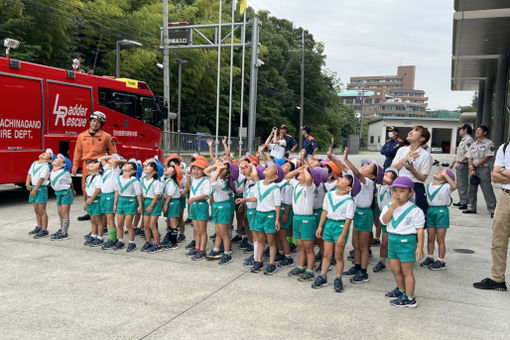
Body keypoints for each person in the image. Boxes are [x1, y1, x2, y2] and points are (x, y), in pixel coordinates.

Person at [380, 176, 425, 308]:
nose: (397, 194)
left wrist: (420, 247)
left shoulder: (415, 210)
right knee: (394, 269)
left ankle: (410, 298)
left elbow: (420, 230)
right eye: (395, 191)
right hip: (393, 239)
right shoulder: (389, 206)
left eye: (402, 191)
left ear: (411, 193)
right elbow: (384, 221)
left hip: (407, 241)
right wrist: (391, 209)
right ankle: (401, 289)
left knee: (407, 271)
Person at [473, 141, 510, 291]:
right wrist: (502, 173)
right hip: (505, 196)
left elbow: (499, 173)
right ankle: (497, 279)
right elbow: (495, 176)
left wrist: (504, 172)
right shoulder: (505, 147)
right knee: (499, 240)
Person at [313, 174, 359, 292]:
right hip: (329, 224)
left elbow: (348, 220)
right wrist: (320, 226)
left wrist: (343, 236)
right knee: (327, 254)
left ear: (348, 188)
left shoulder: (349, 200)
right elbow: (325, 211)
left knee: (338, 256)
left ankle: (338, 278)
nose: (340, 179)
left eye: (344, 180)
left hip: (340, 226)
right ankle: (323, 276)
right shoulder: (329, 195)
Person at [342, 147, 380, 284]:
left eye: (369, 166)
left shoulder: (369, 182)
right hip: (357, 212)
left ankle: (363, 272)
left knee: (364, 246)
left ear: (372, 176)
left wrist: (346, 159)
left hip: (365, 214)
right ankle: (357, 267)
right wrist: (339, 159)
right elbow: (351, 172)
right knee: (356, 244)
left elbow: (357, 174)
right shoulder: (359, 180)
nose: (365, 166)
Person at [72, 111, 117, 221]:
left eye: (98, 122)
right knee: (85, 188)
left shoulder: (106, 137)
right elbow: (77, 151)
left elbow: (113, 152)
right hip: (86, 165)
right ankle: (90, 210)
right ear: (90, 121)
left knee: (99, 189)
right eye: (94, 121)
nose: (95, 124)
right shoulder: (82, 136)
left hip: (99, 165)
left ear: (101, 125)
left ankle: (102, 213)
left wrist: (113, 165)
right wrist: (75, 165)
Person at [391, 126, 432, 217]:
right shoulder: (402, 150)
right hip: (399, 184)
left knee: (414, 217)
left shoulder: (425, 155)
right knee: (398, 215)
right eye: (412, 130)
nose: (411, 132)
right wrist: (407, 157)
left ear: (422, 138)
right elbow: (393, 168)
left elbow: (423, 177)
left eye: (416, 130)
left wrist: (412, 170)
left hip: (415, 187)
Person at [420, 168, 457, 270]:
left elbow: (454, 186)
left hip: (441, 211)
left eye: (442, 172)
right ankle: (430, 256)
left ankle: (441, 260)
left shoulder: (446, 186)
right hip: (430, 210)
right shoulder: (429, 185)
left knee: (440, 238)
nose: (439, 172)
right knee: (430, 237)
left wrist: (446, 175)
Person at [464, 125, 496, 217]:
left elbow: (488, 156)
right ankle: (472, 208)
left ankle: (492, 209)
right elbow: (469, 156)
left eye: (479, 130)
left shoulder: (489, 143)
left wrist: (475, 165)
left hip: (483, 168)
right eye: (476, 130)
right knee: (471, 189)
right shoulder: (473, 144)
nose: (477, 131)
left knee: (487, 189)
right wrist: (471, 167)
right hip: (473, 169)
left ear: (485, 132)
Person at [113, 160, 143, 252]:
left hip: (131, 201)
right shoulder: (118, 178)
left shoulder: (134, 180)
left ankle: (131, 242)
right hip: (121, 201)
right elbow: (117, 192)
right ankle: (120, 241)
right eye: (126, 164)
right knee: (120, 223)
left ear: (133, 171)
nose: (125, 165)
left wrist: (140, 205)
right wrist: (115, 204)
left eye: (129, 165)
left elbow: (138, 194)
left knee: (129, 224)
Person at [373, 167, 398, 273]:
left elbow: (390, 182)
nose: (385, 176)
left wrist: (380, 174)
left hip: (393, 217)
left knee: (394, 241)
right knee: (384, 242)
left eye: (388, 175)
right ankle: (382, 261)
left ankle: (399, 259)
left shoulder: (392, 188)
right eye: (385, 173)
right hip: (384, 217)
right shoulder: (378, 186)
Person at [186, 156, 211, 261]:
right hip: (194, 205)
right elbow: (189, 187)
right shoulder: (193, 178)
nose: (195, 171)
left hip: (201, 205)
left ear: (203, 171)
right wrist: (188, 178)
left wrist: (194, 199)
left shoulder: (206, 180)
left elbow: (206, 193)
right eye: (194, 169)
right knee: (196, 229)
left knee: (202, 230)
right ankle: (197, 247)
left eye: (199, 169)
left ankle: (202, 250)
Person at [98, 155, 123, 250]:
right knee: (107, 219)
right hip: (104, 195)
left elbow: (117, 163)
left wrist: (115, 160)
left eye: (113, 159)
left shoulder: (116, 170)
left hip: (110, 195)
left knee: (110, 219)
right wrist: (111, 156)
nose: (110, 160)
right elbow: (102, 159)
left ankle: (113, 239)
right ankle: (112, 238)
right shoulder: (107, 169)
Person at [26, 149, 53, 239]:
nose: (43, 153)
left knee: (42, 210)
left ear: (49, 160)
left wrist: (35, 189)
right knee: (36, 210)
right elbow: (29, 174)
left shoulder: (46, 166)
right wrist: (27, 183)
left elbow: (41, 179)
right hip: (33, 187)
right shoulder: (34, 163)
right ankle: (39, 226)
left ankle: (44, 230)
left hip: (40, 188)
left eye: (46, 154)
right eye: (44, 152)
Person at [140, 159, 164, 253]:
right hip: (146, 201)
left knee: (152, 225)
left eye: (150, 166)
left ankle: (158, 245)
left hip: (154, 202)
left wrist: (151, 206)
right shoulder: (144, 180)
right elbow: (143, 194)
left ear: (154, 171)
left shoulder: (156, 181)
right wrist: (142, 205)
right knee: (146, 225)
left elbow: (157, 195)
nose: (146, 167)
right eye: (146, 166)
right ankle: (148, 242)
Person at [49, 154, 75, 241]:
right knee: (60, 212)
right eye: (56, 158)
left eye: (59, 159)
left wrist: (73, 190)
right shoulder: (53, 170)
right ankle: (61, 229)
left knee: (64, 213)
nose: (56, 159)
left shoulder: (65, 172)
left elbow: (70, 182)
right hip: (58, 193)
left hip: (65, 193)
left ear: (63, 165)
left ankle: (64, 233)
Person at [450, 124, 474, 210]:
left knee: (462, 184)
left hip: (464, 164)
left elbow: (468, 153)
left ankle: (464, 203)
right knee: (460, 184)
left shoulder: (468, 140)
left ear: (465, 130)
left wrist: (460, 162)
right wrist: (453, 162)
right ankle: (462, 200)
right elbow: (459, 153)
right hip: (460, 163)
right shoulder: (463, 140)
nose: (459, 131)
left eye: (461, 129)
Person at [83, 160, 104, 247]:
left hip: (96, 200)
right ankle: (93, 235)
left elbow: (98, 189)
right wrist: (86, 202)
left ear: (99, 170)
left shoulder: (98, 177)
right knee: (92, 220)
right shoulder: (88, 177)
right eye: (91, 163)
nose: (91, 164)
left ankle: (99, 237)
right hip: (90, 199)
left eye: (94, 164)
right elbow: (88, 190)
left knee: (98, 220)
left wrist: (91, 198)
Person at [162, 162, 182, 250]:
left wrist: (165, 204)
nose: (167, 168)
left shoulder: (171, 182)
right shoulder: (168, 180)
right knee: (170, 221)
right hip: (170, 201)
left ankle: (173, 242)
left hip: (172, 202)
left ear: (174, 172)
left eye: (170, 168)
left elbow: (169, 195)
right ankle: (170, 239)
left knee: (173, 222)